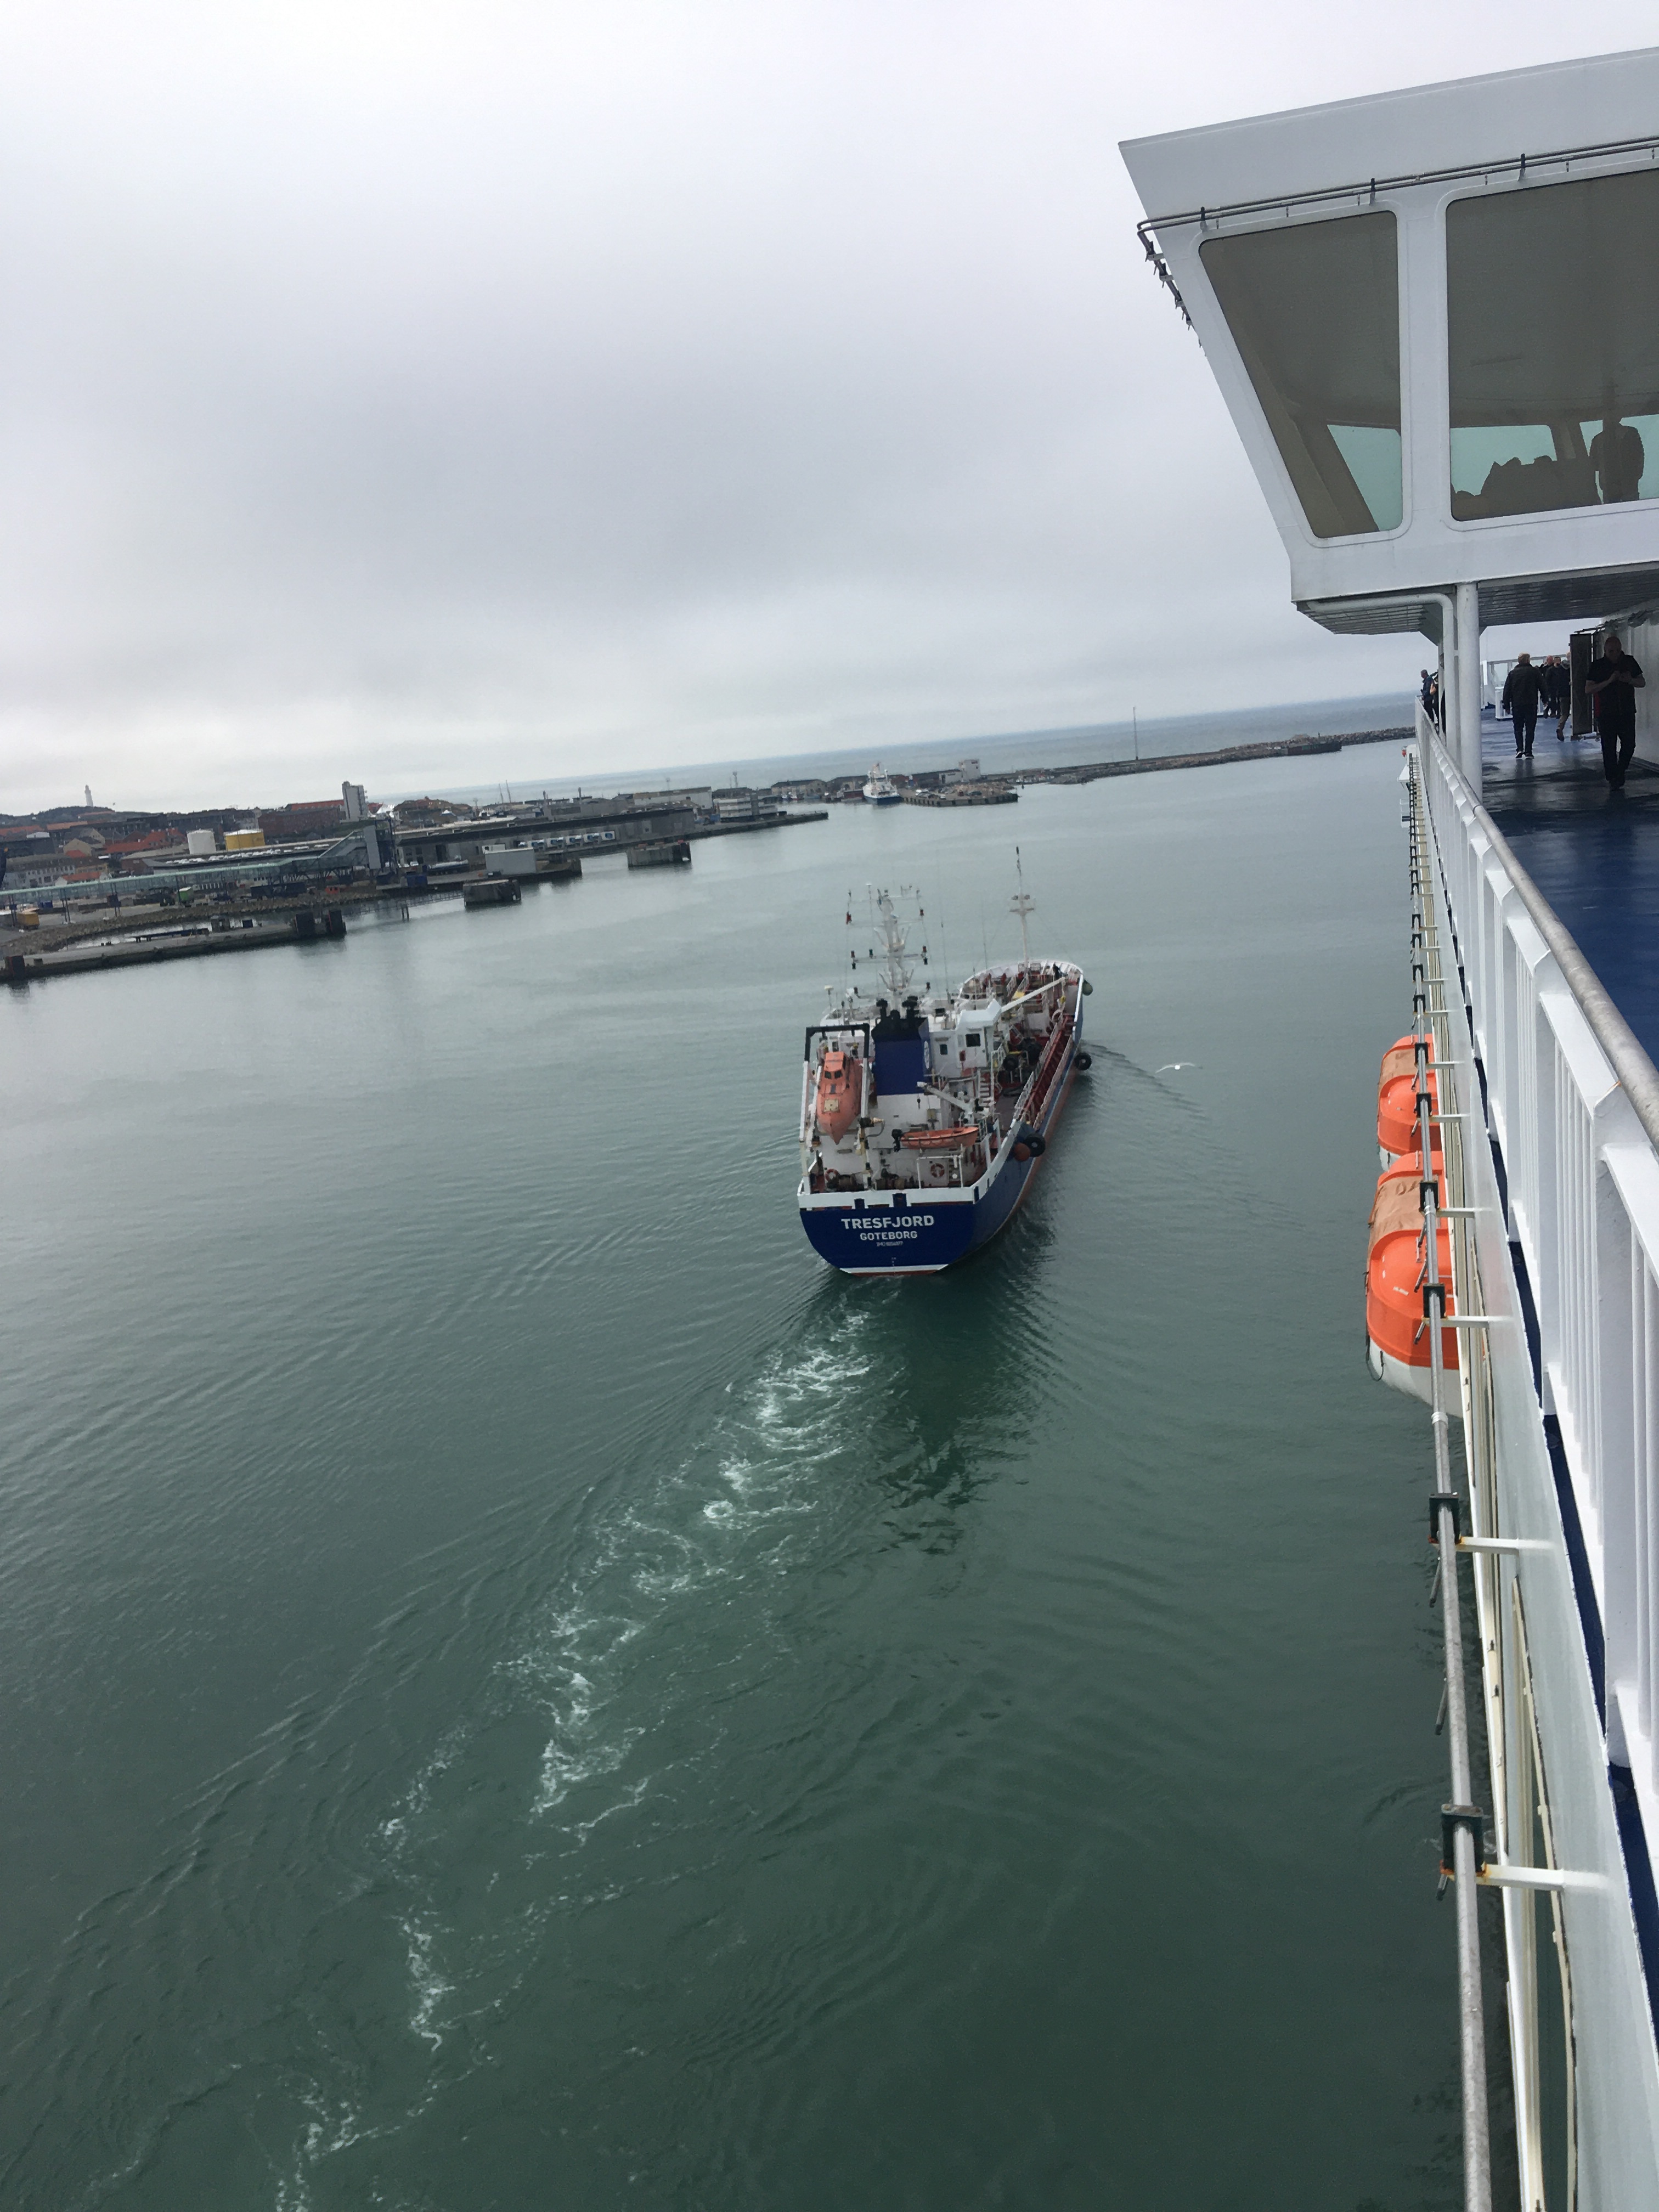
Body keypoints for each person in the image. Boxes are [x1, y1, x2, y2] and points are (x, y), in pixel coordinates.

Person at [1585, 630, 1646, 787]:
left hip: (1626, 711)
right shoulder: (1597, 666)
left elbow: (1642, 682)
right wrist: (1609, 681)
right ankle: (1613, 778)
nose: (1615, 654)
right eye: (1612, 651)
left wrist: (1630, 680)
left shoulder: (1629, 662)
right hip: (1606, 713)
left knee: (1629, 744)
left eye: (1618, 651)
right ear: (1605, 651)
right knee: (1609, 747)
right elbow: (1589, 689)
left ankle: (1620, 771)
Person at [1591, 418, 1646, 504]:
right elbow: (1594, 464)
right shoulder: (1598, 439)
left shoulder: (1631, 434)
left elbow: (1639, 456)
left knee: (1633, 510)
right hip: (1609, 487)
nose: (1609, 418)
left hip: (1629, 485)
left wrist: (1634, 476)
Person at [1501, 652, 1543, 755]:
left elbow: (1507, 690)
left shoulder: (1512, 674)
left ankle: (1520, 748)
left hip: (1517, 704)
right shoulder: (1534, 672)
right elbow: (1542, 686)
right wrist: (1545, 699)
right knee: (1530, 728)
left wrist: (1506, 705)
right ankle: (1528, 751)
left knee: (1518, 727)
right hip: (1531, 703)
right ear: (1528, 660)